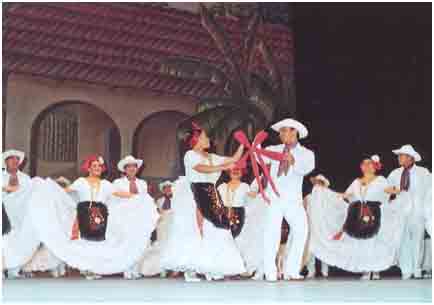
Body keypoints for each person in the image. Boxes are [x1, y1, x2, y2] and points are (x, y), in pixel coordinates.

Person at [28, 155, 156, 280]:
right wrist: (49, 190)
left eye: (99, 166)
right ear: (88, 168)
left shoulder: (106, 184)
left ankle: (94, 268)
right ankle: (87, 268)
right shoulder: (81, 182)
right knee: (84, 244)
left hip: (100, 216)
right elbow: (65, 191)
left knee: (98, 244)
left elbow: (119, 193)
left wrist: (138, 197)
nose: (97, 168)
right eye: (94, 166)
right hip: (84, 214)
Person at [161, 122, 246, 282]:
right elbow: (200, 169)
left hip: (211, 194)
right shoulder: (190, 155)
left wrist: (244, 144)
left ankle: (213, 266)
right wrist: (222, 167)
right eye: (205, 136)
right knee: (194, 230)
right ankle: (191, 269)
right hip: (195, 193)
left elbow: (234, 159)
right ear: (197, 139)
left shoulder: (213, 157)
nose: (209, 139)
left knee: (217, 229)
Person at [309, 155, 404, 280]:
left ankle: (375, 269)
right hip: (358, 214)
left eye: (369, 163)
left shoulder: (380, 180)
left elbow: (388, 189)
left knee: (374, 242)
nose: (366, 166)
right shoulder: (356, 182)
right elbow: (346, 195)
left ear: (375, 166)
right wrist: (326, 192)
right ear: (361, 167)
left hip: (374, 213)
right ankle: (365, 269)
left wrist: (398, 190)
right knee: (361, 243)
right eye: (364, 164)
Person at [259, 118, 315, 281]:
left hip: (293, 199)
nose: (284, 134)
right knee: (271, 233)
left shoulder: (306, 153)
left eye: (288, 130)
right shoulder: (272, 149)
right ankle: (270, 272)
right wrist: (255, 150)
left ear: (296, 132)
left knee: (301, 231)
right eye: (282, 131)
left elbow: (306, 168)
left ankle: (292, 270)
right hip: (274, 197)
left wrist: (294, 161)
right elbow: (260, 161)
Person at [386, 145, 432, 280]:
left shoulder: (423, 172)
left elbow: (430, 191)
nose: (399, 158)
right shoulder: (395, 173)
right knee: (403, 240)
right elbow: (387, 189)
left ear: (411, 158)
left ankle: (417, 269)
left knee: (418, 241)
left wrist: (427, 209)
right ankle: (406, 270)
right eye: (399, 156)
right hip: (401, 212)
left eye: (402, 156)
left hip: (418, 211)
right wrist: (393, 192)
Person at [112, 155, 160, 280]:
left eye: (134, 167)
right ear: (124, 169)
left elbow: (144, 200)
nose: (132, 169)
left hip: (138, 217)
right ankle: (126, 268)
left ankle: (135, 268)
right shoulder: (118, 183)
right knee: (126, 241)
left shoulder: (142, 183)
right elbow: (115, 199)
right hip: (124, 216)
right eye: (129, 167)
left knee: (138, 241)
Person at [2, 149, 39, 279]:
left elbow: (31, 194)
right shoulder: (1, 177)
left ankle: (15, 270)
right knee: (5, 243)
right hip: (4, 216)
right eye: (12, 160)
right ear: (6, 162)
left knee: (20, 242)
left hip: (21, 217)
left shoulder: (25, 178)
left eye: (17, 160)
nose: (15, 162)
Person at [304, 175, 330, 278]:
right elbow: (303, 210)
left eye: (320, 183)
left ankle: (325, 270)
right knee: (311, 248)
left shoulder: (328, 198)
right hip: (311, 225)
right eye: (316, 182)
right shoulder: (308, 197)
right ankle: (311, 270)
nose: (317, 184)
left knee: (325, 247)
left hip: (323, 226)